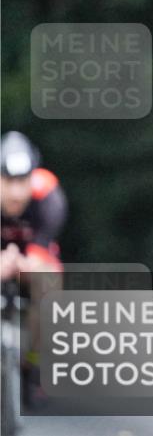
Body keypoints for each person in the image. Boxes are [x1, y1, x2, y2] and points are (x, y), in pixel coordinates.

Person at [0, 131, 68, 406]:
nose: (17, 192)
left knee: (49, 286)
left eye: (23, 182)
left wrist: (22, 264)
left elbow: (41, 251)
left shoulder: (48, 194)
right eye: (8, 181)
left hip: (32, 258)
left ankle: (33, 360)